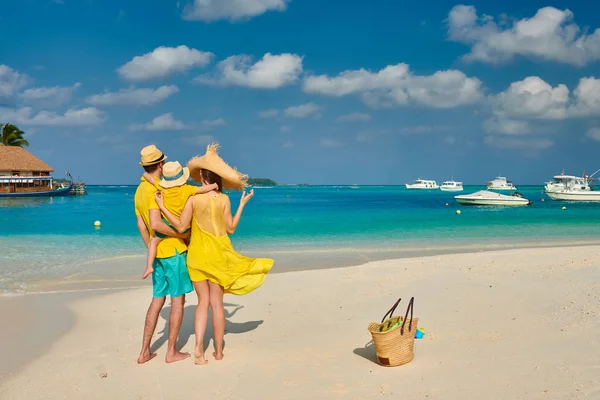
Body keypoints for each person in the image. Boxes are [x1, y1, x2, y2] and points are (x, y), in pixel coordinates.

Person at [155, 143, 273, 365]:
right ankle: (218, 352)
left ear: (201, 175)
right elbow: (231, 229)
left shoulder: (193, 198)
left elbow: (181, 228)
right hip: (218, 256)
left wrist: (162, 207)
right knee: (217, 305)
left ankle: (199, 349)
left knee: (202, 303)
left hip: (197, 256)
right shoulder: (225, 200)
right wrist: (242, 205)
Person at [133, 145, 193, 364]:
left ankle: (144, 352)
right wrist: (182, 233)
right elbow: (156, 222)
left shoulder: (139, 191)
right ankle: (171, 352)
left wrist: (152, 247)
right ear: (160, 165)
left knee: (157, 300)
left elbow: (142, 225)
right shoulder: (156, 190)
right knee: (178, 301)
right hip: (174, 251)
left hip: (157, 254)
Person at [141, 160, 217, 280]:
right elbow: (202, 190)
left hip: (167, 223)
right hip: (183, 223)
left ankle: (149, 266)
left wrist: (145, 174)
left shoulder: (160, 186)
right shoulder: (187, 189)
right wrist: (214, 186)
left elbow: (150, 179)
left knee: (154, 241)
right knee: (187, 240)